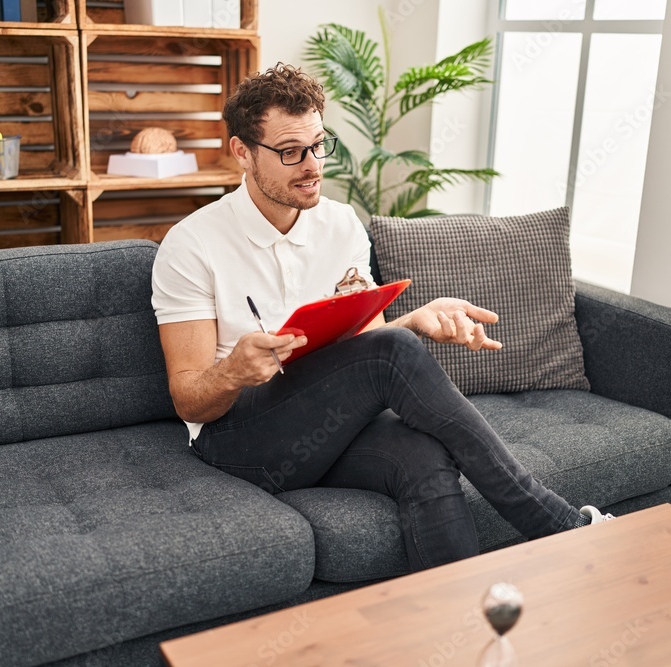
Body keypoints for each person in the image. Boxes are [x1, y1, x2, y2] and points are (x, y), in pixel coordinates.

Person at [151, 63, 612, 573]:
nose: (312, 166)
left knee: (423, 455)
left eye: (318, 144)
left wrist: (416, 320)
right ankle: (557, 524)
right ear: (242, 152)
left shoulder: (340, 223)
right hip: (238, 439)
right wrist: (235, 370)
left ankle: (453, 635)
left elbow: (365, 349)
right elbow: (187, 396)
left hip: (322, 428)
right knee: (393, 355)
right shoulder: (191, 244)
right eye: (289, 152)